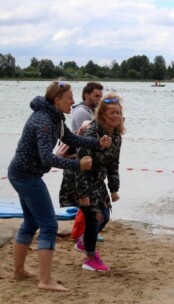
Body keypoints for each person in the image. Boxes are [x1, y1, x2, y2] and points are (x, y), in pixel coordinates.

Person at [7, 81, 112, 291]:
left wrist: (96, 143)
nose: (73, 102)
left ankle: (18, 271)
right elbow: (47, 158)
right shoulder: (44, 121)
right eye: (69, 98)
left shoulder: (54, 117)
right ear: (57, 100)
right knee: (49, 225)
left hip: (22, 174)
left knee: (30, 223)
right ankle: (45, 280)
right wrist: (78, 165)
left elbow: (70, 138)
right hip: (27, 176)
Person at [60, 93, 125, 272]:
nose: (116, 116)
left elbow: (113, 163)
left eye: (118, 113)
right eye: (112, 112)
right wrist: (83, 195)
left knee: (105, 216)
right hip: (79, 179)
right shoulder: (92, 132)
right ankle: (90, 258)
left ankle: (84, 242)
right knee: (94, 217)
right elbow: (81, 164)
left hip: (97, 180)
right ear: (102, 114)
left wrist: (114, 189)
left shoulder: (116, 135)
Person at [61, 82, 102, 242]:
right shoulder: (81, 112)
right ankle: (80, 234)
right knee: (85, 200)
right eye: (96, 96)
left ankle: (85, 233)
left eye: (100, 96)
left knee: (88, 201)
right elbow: (84, 138)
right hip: (80, 160)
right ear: (86, 95)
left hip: (87, 160)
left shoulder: (91, 111)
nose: (99, 99)